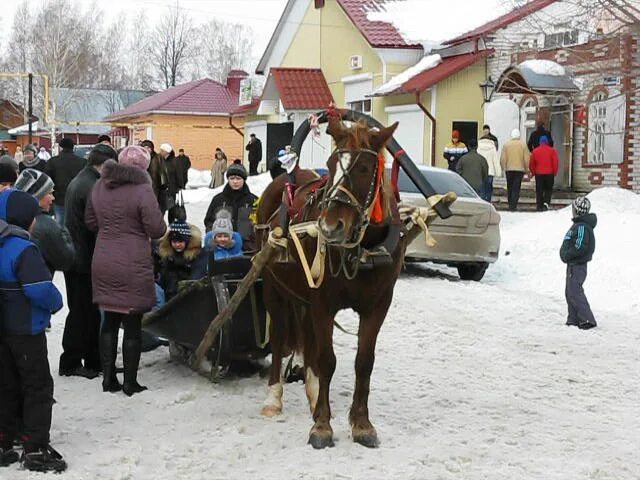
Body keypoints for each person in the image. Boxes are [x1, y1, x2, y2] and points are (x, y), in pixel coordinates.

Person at [86, 145, 166, 396]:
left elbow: (90, 221)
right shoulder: (142, 189)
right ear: (142, 167)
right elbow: (156, 229)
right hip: (133, 262)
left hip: (104, 258)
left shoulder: (100, 185)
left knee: (109, 321)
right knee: (132, 324)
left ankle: (108, 379)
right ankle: (130, 382)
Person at [0, 190, 66, 473]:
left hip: (2, 330)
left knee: (6, 384)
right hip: (26, 329)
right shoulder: (23, 249)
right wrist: (56, 302)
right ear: (27, 219)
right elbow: (40, 290)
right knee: (37, 386)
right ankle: (35, 446)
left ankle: (4, 439)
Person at [61, 144, 118, 380]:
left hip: (78, 255)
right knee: (81, 312)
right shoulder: (91, 185)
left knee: (88, 312)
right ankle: (72, 361)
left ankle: (93, 360)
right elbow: (95, 227)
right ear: (103, 165)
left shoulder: (84, 179)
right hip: (83, 258)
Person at [14, 169, 75, 276]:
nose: (53, 198)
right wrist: (64, 232)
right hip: (39, 286)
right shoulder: (47, 225)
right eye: (50, 193)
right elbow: (66, 260)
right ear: (37, 196)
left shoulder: (11, 217)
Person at [560, 196, 597, 330]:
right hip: (572, 264)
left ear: (578, 210)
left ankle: (587, 319)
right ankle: (573, 318)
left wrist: (568, 254)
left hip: (578, 265)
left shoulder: (582, 227)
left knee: (575, 291)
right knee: (569, 291)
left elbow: (580, 245)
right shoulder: (577, 225)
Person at [204, 163, 257, 250]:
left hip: (247, 249)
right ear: (228, 179)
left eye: (238, 178)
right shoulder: (218, 200)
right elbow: (209, 222)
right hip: (221, 248)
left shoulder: (254, 201)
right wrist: (214, 239)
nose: (235, 181)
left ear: (244, 179)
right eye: (232, 178)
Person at [156, 221, 207, 301]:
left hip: (188, 297)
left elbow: (196, 277)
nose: (177, 245)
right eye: (174, 242)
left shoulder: (197, 256)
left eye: (180, 241)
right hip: (168, 294)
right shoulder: (166, 257)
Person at [44, 137, 86, 227]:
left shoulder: (53, 162)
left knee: (60, 224)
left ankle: (62, 240)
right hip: (77, 198)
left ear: (60, 147)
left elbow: (47, 179)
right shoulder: (82, 162)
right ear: (73, 148)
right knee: (76, 225)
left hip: (59, 198)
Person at [500, 129, 530, 211]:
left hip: (509, 169)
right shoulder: (523, 145)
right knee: (516, 188)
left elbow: (503, 158)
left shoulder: (506, 145)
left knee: (509, 187)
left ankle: (510, 203)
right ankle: (514, 205)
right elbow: (526, 159)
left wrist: (503, 167)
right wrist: (527, 169)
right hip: (519, 170)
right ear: (519, 135)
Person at [529, 135, 559, 211]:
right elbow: (555, 162)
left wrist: (533, 172)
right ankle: (546, 203)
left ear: (540, 142)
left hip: (539, 174)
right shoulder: (552, 151)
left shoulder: (535, 151)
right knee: (548, 189)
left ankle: (539, 205)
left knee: (539, 190)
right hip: (549, 173)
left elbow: (531, 163)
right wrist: (555, 172)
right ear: (547, 142)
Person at [141, 140, 169, 214]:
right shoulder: (139, 158)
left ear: (152, 148)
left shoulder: (158, 158)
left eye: (149, 147)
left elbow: (162, 172)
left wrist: (164, 184)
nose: (147, 149)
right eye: (145, 147)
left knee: (153, 206)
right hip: (141, 187)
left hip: (155, 187)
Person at [477, 135, 501, 202]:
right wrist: (498, 172)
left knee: (481, 188)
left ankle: (482, 202)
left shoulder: (478, 147)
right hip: (490, 172)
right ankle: (488, 201)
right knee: (489, 189)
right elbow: (495, 160)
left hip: (480, 171)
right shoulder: (492, 147)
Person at [159, 143, 182, 209]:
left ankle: (171, 219)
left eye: (162, 151)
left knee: (172, 206)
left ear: (167, 152)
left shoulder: (175, 161)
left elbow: (179, 174)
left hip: (172, 188)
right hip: (161, 188)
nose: (160, 152)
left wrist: (179, 186)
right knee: (161, 207)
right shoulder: (159, 160)